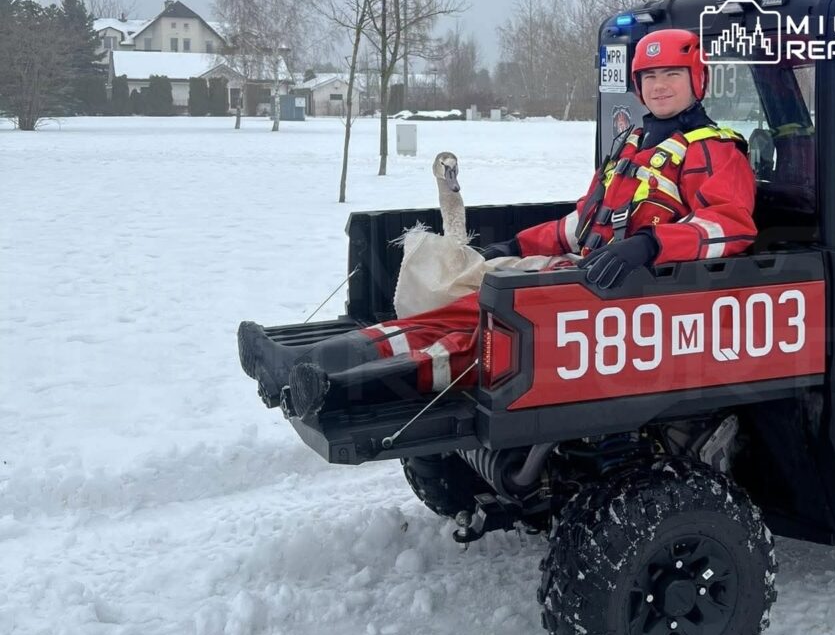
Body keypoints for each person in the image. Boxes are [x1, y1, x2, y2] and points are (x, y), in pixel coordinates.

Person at [238, 28, 756, 420]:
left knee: (485, 340)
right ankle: (302, 367)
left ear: (697, 80)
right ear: (638, 87)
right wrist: (512, 244)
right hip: (579, 275)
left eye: (672, 76)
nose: (660, 87)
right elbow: (582, 224)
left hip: (640, 296)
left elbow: (729, 227)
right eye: (649, 77)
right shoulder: (632, 148)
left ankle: (333, 388)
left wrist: (647, 247)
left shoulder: (714, 150)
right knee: (456, 311)